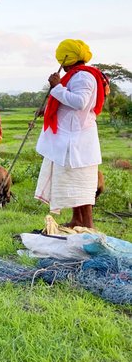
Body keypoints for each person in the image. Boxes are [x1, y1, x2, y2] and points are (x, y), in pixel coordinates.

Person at [34, 39, 108, 229]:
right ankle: (76, 220)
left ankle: (88, 226)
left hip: (78, 140)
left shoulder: (83, 77)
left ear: (68, 58)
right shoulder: (76, 75)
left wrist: (57, 87)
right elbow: (69, 105)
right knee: (72, 182)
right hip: (69, 139)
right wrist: (49, 109)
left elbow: (80, 102)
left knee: (82, 185)